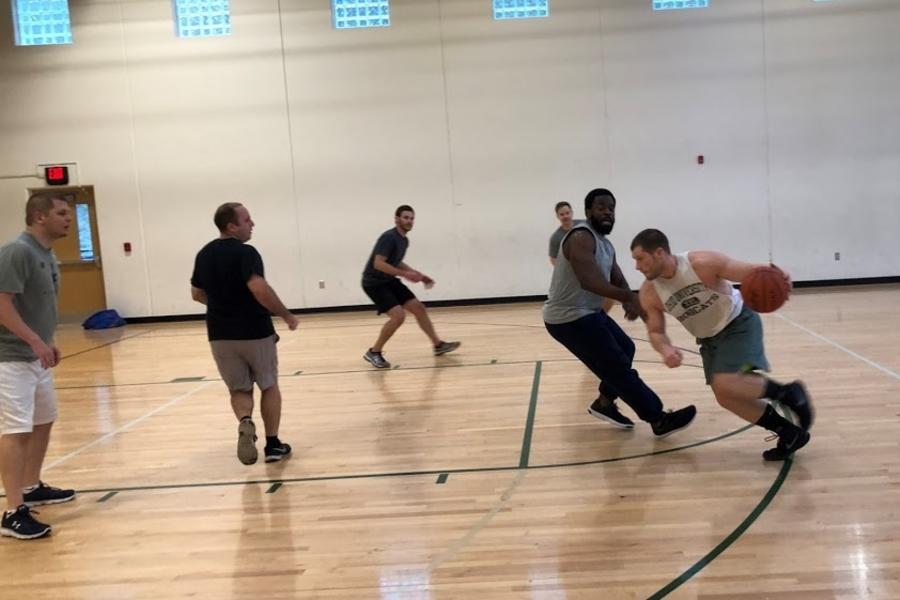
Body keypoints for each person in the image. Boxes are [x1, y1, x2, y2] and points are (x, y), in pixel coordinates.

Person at [629, 228, 814, 461]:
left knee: (726, 381)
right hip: (709, 340)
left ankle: (788, 393)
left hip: (738, 323)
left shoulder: (701, 263)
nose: (636, 266)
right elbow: (656, 331)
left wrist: (779, 274)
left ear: (658, 253)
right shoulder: (649, 293)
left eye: (639, 258)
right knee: (726, 395)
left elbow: (751, 271)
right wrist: (665, 349)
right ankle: (788, 432)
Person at [543, 189, 697, 436]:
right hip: (568, 318)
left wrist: (631, 301)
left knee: (626, 348)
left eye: (611, 208)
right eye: (601, 207)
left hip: (587, 313)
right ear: (588, 211)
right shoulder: (581, 237)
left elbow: (615, 275)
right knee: (616, 366)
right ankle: (658, 419)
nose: (607, 212)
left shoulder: (605, 244)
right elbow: (590, 281)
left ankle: (604, 404)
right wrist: (628, 297)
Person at [191, 203, 297, 466]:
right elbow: (259, 289)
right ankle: (273, 445)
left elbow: (196, 293)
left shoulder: (204, 254)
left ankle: (245, 421)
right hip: (254, 330)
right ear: (231, 226)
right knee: (269, 384)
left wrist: (222, 307)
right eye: (247, 220)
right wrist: (285, 314)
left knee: (239, 389)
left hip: (219, 334)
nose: (253, 224)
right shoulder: (246, 252)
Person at [0, 194, 76, 541]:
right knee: (16, 431)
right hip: (11, 359)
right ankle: (12, 511)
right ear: (40, 216)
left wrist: (48, 339)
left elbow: (38, 304)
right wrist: (33, 340)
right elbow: (2, 304)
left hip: (37, 357)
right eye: (62, 213)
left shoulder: (45, 254)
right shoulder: (17, 252)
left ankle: (31, 486)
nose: (68, 219)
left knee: (44, 420)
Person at [361, 205, 460, 369]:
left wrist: (418, 275)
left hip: (389, 280)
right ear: (397, 219)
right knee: (398, 316)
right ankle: (374, 352)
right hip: (374, 283)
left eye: (412, 218)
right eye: (405, 217)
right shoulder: (389, 237)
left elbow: (395, 261)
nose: (409, 221)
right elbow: (378, 264)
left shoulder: (403, 240)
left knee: (418, 308)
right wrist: (405, 274)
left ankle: (438, 345)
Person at [548, 201, 583, 266]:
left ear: (572, 213)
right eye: (562, 214)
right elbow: (553, 259)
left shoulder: (584, 225)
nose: (565, 216)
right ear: (557, 216)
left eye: (567, 213)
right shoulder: (555, 238)